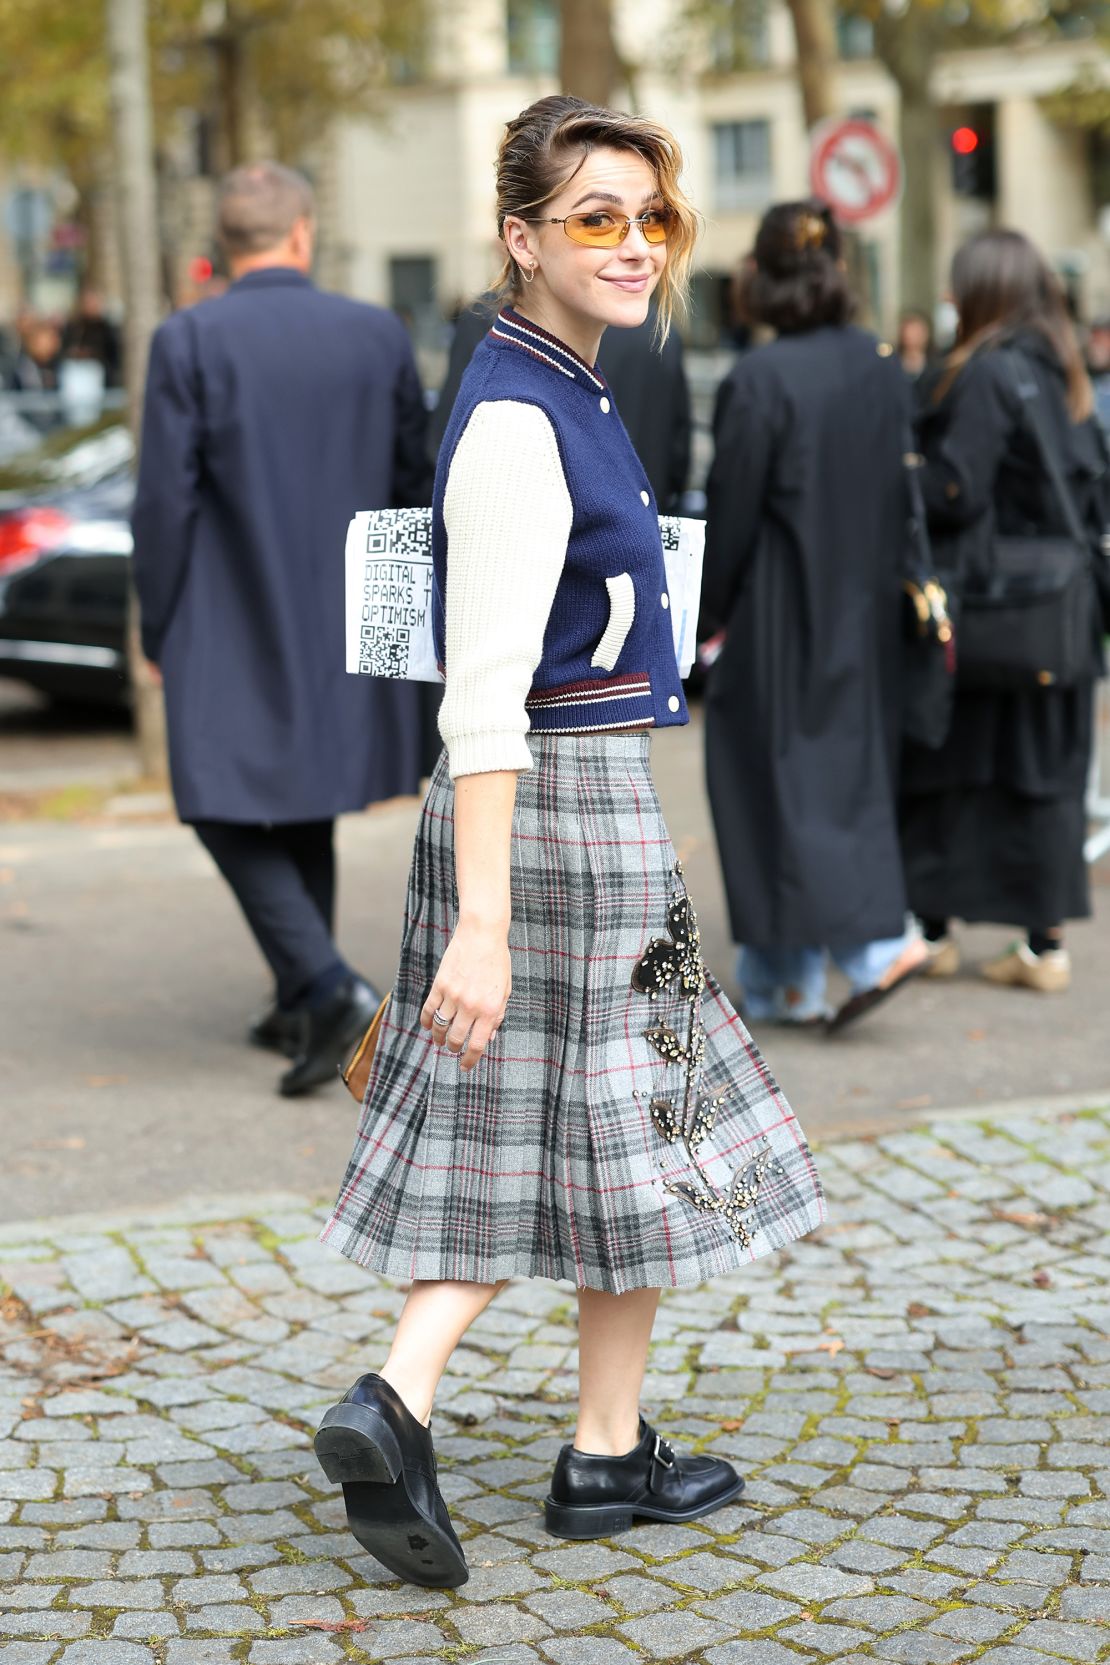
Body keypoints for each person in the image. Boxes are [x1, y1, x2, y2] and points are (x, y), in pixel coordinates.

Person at [313, 95, 825, 1590]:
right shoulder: (521, 418)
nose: (634, 245)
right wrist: (482, 915)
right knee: (626, 1125)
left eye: (653, 217)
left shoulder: (560, 388)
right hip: (552, 813)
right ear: (518, 238)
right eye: (595, 217)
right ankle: (464, 1410)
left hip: (566, 806)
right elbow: (484, 693)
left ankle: (566, 1438)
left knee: (585, 1132)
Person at [132, 162, 429, 1095]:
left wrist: (156, 617)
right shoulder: (376, 332)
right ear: (301, 234)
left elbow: (163, 503)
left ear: (224, 246)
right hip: (349, 610)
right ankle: (306, 1000)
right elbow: (412, 483)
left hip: (230, 611)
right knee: (301, 801)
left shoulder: (187, 339)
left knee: (215, 800)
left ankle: (332, 989)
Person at [701, 199, 927, 1031]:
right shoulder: (877, 366)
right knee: (838, 779)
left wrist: (704, 617)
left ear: (760, 275)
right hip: (860, 603)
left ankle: (870, 946)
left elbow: (732, 514)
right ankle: (781, 979)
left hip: (777, 609)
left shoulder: (759, 379)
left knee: (770, 784)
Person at [901, 229, 1106, 992]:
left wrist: (900, 476)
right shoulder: (1065, 371)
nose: (950, 299)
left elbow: (961, 489)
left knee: (948, 758)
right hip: (1061, 610)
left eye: (959, 286)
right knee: (1044, 769)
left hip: (992, 607)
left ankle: (933, 929)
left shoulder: (989, 373)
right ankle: (1042, 945)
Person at [431, 292, 691, 510]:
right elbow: (679, 452)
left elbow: (444, 440)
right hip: (643, 516)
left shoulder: (487, 317)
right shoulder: (658, 327)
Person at [896, 308, 934, 381]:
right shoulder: (893, 363)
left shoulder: (936, 364)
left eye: (917, 332)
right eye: (909, 331)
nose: (912, 336)